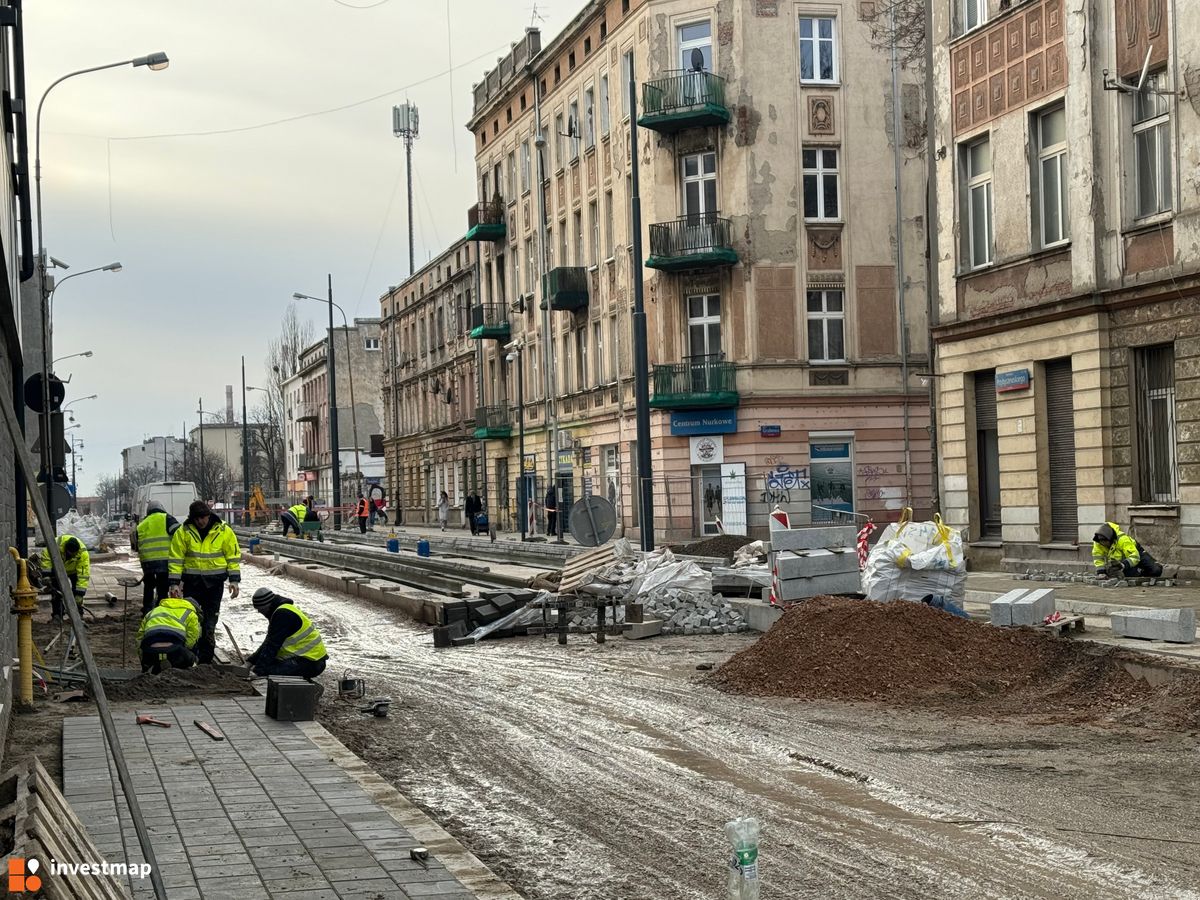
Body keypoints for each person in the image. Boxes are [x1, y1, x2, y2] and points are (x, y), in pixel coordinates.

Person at [168, 501, 240, 664]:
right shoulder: (183, 532)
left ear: (209, 515)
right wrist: (174, 583)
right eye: (197, 518)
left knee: (209, 622)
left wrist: (234, 581)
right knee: (192, 620)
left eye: (203, 517)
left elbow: (233, 557)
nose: (201, 521)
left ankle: (206, 660)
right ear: (192, 519)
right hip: (193, 583)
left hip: (214, 584)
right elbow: (176, 559)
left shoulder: (223, 531)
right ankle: (192, 655)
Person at [246, 588, 328, 679]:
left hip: (311, 662)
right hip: (307, 659)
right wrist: (250, 663)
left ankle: (305, 689)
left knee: (266, 671)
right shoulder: (282, 610)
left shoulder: (282, 614)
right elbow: (268, 642)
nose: (260, 613)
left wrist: (257, 672)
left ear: (267, 606)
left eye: (261, 610)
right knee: (265, 666)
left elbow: (272, 645)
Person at [132, 501, 180, 615]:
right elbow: (179, 534)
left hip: (147, 562)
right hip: (164, 560)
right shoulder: (167, 518)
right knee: (162, 587)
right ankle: (160, 609)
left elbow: (136, 544)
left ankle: (147, 610)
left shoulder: (142, 524)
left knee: (148, 586)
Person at [136, 595, 201, 674]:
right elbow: (191, 640)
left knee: (151, 663)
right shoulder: (191, 613)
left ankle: (151, 667)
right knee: (190, 660)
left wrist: (143, 658)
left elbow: (139, 637)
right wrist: (183, 651)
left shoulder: (154, 611)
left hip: (150, 647)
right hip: (173, 647)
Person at [41, 535, 89, 625]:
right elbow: (46, 558)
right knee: (56, 592)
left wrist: (80, 594)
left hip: (74, 571)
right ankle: (57, 615)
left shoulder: (83, 554)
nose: (71, 555)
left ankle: (78, 615)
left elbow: (83, 575)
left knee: (76, 591)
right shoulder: (55, 545)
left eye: (73, 554)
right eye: (69, 553)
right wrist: (47, 576)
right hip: (58, 569)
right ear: (65, 549)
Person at [1092, 522, 1164, 579]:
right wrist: (1101, 572)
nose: (1102, 543)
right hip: (1121, 562)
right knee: (1129, 575)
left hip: (1136, 552)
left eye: (1104, 541)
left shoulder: (1123, 539)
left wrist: (1123, 565)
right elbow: (1098, 558)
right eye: (1100, 541)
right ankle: (1138, 574)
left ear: (1110, 539)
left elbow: (1135, 557)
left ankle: (1140, 572)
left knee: (1156, 570)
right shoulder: (1098, 542)